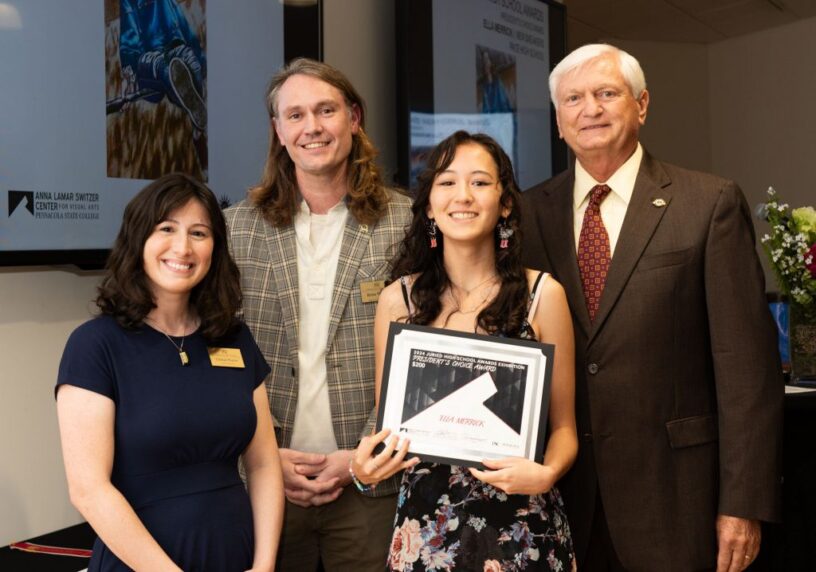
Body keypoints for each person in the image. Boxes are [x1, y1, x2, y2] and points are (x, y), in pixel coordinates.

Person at [520, 43, 783, 572]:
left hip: (676, 499)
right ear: (557, 120)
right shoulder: (529, 212)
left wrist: (742, 504)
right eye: (573, 98)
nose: (589, 109)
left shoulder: (707, 204)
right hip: (561, 502)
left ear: (641, 105)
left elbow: (746, 369)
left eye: (606, 93)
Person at [351, 130, 578, 571]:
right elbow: (390, 426)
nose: (463, 196)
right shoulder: (398, 300)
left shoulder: (542, 295)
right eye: (447, 182)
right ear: (431, 204)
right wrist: (363, 471)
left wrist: (547, 473)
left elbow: (565, 428)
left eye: (479, 182)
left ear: (505, 202)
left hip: (523, 527)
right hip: (427, 531)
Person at [224, 59, 412, 571]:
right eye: (296, 114)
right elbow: (213, 352)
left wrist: (359, 458)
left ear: (354, 118)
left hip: (371, 480)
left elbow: (422, 350)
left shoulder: (407, 223)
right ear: (278, 131)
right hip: (266, 478)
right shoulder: (234, 230)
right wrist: (255, 456)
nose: (312, 127)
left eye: (326, 110)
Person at [56, 173, 284, 571]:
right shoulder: (94, 345)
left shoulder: (234, 337)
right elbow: (88, 490)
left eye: (199, 233)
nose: (183, 247)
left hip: (237, 555)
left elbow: (264, 463)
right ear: (138, 239)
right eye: (166, 228)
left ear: (215, 248)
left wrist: (263, 565)